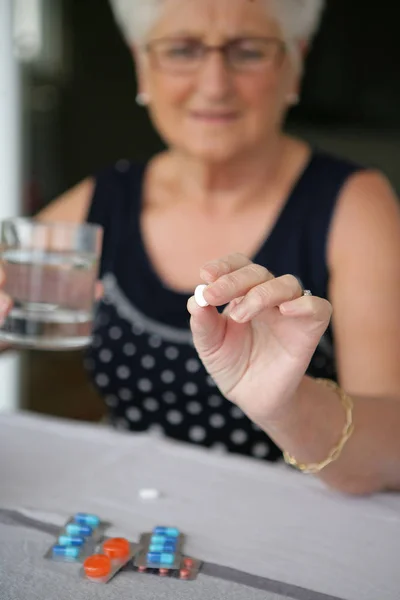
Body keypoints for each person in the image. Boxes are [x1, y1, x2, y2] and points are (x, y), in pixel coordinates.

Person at [1, 0, 400, 494]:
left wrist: (289, 406)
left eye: (249, 52)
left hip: (295, 532)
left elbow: (392, 452)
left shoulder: (352, 204)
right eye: (182, 50)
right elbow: (11, 309)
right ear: (143, 66)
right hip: (131, 514)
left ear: (293, 65)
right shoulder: (105, 199)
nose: (214, 84)